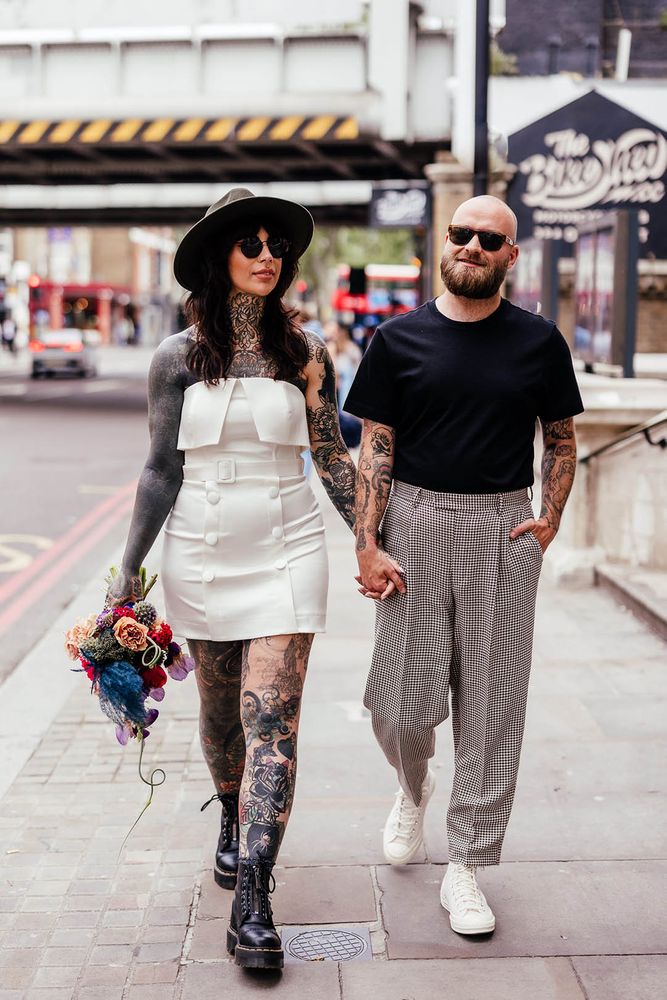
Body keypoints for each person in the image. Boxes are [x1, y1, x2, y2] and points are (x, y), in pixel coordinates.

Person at [107, 187, 356, 970]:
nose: (267, 256)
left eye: (276, 245)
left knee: (271, 724)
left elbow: (331, 458)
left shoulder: (306, 352)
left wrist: (371, 542)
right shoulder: (176, 357)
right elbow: (159, 470)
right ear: (219, 258)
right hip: (203, 553)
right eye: (250, 244)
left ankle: (253, 898)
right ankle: (228, 810)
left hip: (290, 548)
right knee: (222, 723)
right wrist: (127, 571)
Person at [344, 195, 583, 937]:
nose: (472, 245)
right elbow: (374, 446)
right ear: (444, 243)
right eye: (461, 234)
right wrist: (366, 541)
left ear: (511, 255)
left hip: (501, 529)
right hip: (412, 522)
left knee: (492, 706)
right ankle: (412, 788)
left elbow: (561, 439)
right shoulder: (396, 338)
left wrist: (548, 520)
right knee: (398, 705)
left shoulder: (539, 341)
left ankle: (468, 864)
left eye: (489, 238)